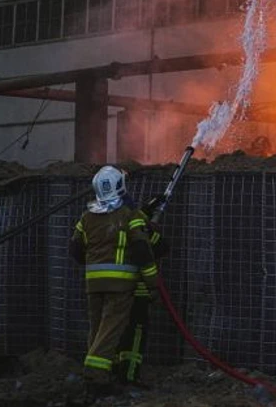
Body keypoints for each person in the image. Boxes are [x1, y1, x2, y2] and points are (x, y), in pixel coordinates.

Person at [68, 166, 160, 396]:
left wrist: (96, 262)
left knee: (97, 329)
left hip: (93, 284)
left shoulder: (86, 217)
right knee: (110, 329)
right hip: (120, 286)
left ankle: (101, 373)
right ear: (120, 186)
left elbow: (75, 249)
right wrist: (152, 283)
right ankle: (95, 375)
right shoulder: (129, 215)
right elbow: (142, 251)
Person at [112, 194, 169, 387]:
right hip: (136, 290)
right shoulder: (138, 228)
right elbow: (160, 247)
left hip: (112, 289)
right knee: (135, 333)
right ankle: (129, 376)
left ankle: (113, 372)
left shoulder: (104, 225)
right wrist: (150, 228)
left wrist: (145, 214)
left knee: (114, 331)